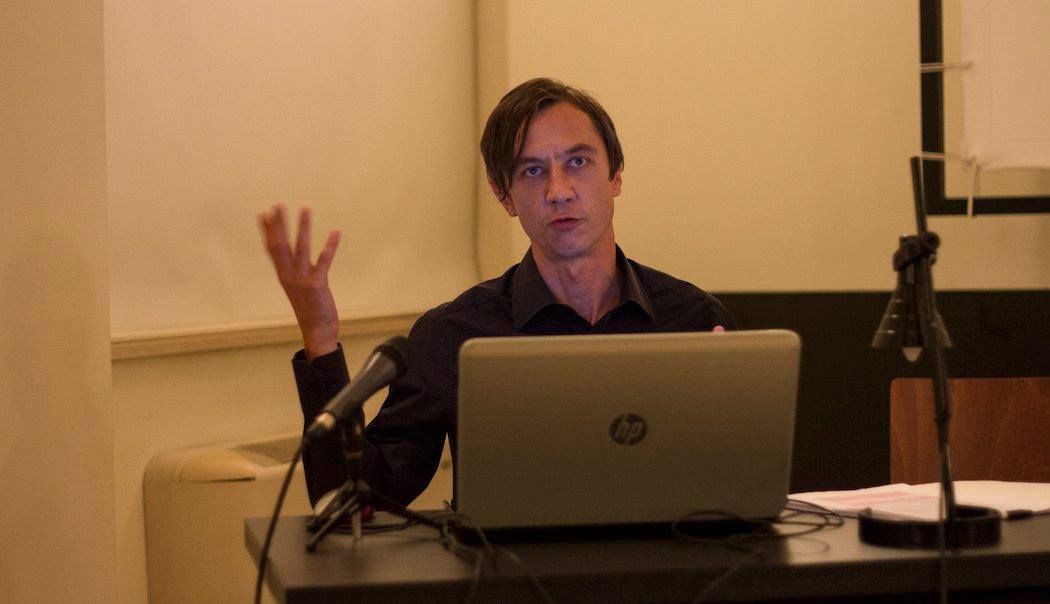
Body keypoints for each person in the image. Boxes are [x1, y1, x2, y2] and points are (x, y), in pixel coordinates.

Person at [258, 78, 735, 507]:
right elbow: (352, 502)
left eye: (578, 162)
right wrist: (320, 337)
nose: (559, 191)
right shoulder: (454, 334)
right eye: (532, 171)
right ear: (504, 195)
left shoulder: (694, 321)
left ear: (615, 176)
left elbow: (741, 487)